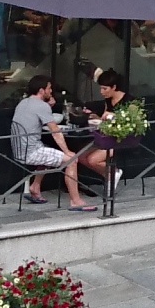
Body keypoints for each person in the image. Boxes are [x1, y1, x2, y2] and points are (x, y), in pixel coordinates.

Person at [11, 79, 100, 212]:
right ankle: (76, 201)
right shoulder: (42, 106)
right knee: (72, 160)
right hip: (31, 152)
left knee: (48, 151)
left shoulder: (23, 103)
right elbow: (56, 132)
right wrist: (68, 152)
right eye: (49, 88)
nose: (51, 91)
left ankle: (35, 186)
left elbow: (36, 116)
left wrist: (48, 106)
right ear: (41, 90)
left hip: (19, 150)